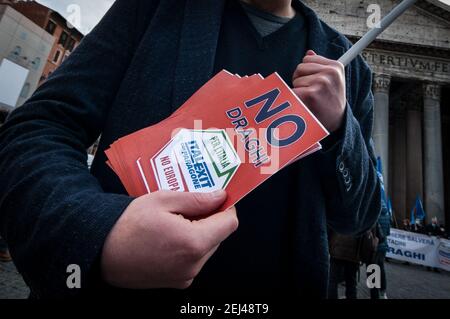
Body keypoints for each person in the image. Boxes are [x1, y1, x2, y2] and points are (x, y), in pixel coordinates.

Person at [0, 0, 381, 298]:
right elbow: (39, 127)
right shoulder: (154, 9)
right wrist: (101, 231)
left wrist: (338, 129)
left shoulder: (351, 70)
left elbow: (359, 216)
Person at [328, 231, 361, 299]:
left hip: (336, 251)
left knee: (332, 280)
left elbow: (329, 230)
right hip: (353, 254)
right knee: (351, 282)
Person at [370, 206, 390, 299]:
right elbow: (388, 232)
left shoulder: (374, 214)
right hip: (383, 246)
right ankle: (383, 292)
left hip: (375, 245)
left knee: (373, 268)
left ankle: (375, 294)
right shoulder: (387, 216)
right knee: (381, 268)